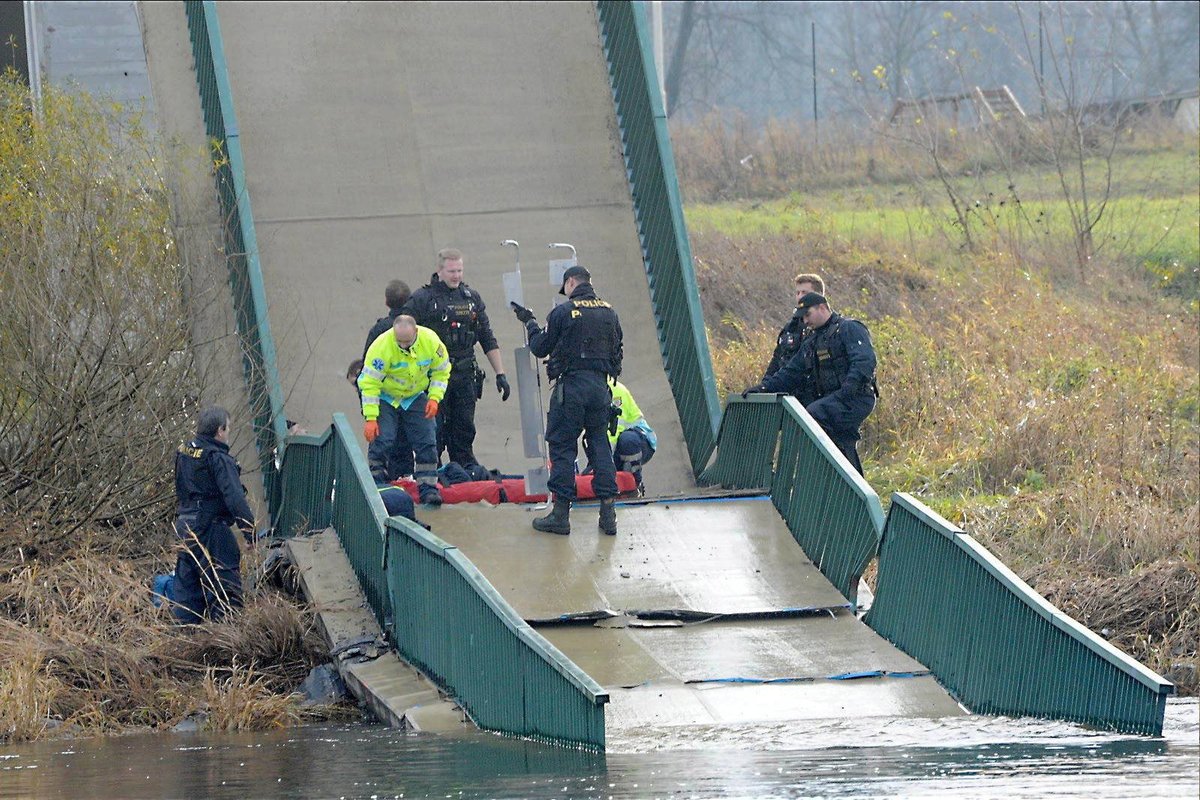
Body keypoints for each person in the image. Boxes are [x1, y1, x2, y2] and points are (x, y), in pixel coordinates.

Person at [512, 265, 623, 536]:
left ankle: (561, 515)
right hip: (600, 388)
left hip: (571, 388)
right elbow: (617, 350)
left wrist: (530, 323)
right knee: (599, 445)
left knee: (562, 447)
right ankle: (608, 514)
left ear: (571, 282)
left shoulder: (563, 312)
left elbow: (540, 348)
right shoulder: (609, 311)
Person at [743, 293, 878, 474]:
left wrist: (847, 389)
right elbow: (791, 373)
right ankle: (844, 485)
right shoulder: (812, 341)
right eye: (803, 317)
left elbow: (864, 361)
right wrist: (763, 388)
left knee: (814, 415)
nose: (805, 321)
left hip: (856, 397)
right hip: (835, 399)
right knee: (838, 440)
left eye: (808, 315)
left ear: (822, 307)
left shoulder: (849, 328)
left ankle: (820, 477)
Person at [404, 248, 510, 470]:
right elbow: (401, 337)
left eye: (460, 270)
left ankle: (464, 466)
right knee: (434, 428)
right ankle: (432, 468)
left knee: (464, 426)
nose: (456, 275)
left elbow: (487, 337)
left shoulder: (471, 299)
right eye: (452, 271)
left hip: (464, 374)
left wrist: (500, 374)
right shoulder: (421, 299)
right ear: (439, 270)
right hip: (433, 377)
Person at [172, 406, 255, 624]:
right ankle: (227, 641)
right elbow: (235, 498)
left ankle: (184, 640)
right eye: (228, 429)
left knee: (188, 589)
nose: (228, 434)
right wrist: (249, 532)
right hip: (211, 528)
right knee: (224, 587)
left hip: (184, 525)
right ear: (220, 430)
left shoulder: (184, 451)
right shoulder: (218, 458)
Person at [359, 315, 450, 505]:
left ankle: (428, 487)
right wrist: (371, 417)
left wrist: (434, 398)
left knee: (426, 438)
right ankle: (377, 482)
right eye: (400, 343)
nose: (404, 347)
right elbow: (369, 384)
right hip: (386, 397)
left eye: (407, 342)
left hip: (414, 395)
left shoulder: (431, 342)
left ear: (416, 332)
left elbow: (441, 371)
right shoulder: (381, 347)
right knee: (384, 438)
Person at [361, 281, 413, 481]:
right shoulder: (415, 329)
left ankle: (380, 480)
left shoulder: (378, 330)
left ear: (386, 302)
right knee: (405, 443)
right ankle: (406, 479)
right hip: (409, 395)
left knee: (383, 440)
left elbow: (367, 370)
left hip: (383, 397)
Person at [761, 273, 826, 382]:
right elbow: (777, 360)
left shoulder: (830, 327)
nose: (800, 296)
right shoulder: (790, 328)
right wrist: (764, 387)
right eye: (798, 293)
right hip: (787, 387)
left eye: (804, 292)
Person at [607, 377, 656, 492]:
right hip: (617, 445)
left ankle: (635, 484)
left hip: (640, 439)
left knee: (627, 441)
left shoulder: (615, 390)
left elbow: (614, 430)